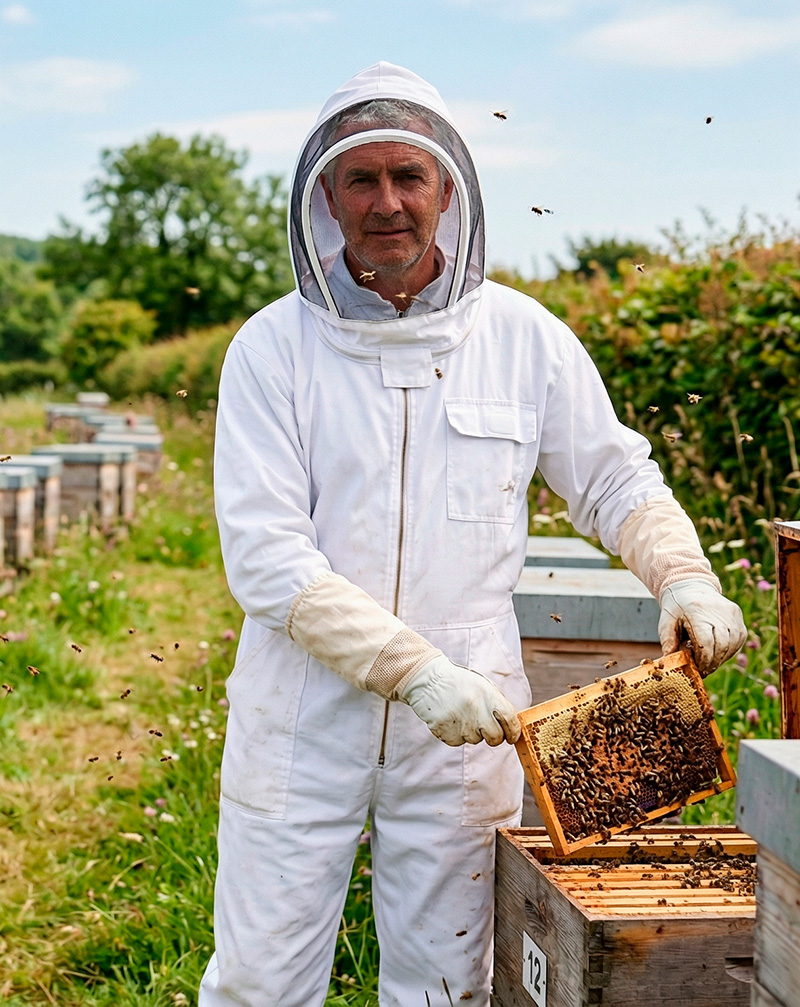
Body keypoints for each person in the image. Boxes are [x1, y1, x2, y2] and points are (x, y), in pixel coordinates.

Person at [200, 61, 746, 1007]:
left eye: (408, 176)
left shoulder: (525, 337)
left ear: (448, 188)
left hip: (469, 725)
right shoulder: (272, 348)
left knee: (446, 985)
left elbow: (614, 476)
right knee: (259, 980)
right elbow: (268, 559)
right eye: (360, 179)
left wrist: (686, 578)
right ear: (325, 198)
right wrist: (412, 670)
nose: (387, 203)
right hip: (302, 717)